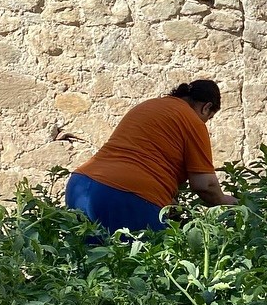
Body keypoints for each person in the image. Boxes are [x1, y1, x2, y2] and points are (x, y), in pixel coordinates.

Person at [67, 79, 236, 232]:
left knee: (90, 261)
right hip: (125, 195)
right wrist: (230, 203)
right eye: (209, 117)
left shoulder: (149, 106)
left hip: (80, 185)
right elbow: (205, 185)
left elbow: (144, 158)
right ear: (206, 107)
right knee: (140, 262)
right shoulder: (193, 121)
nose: (206, 122)